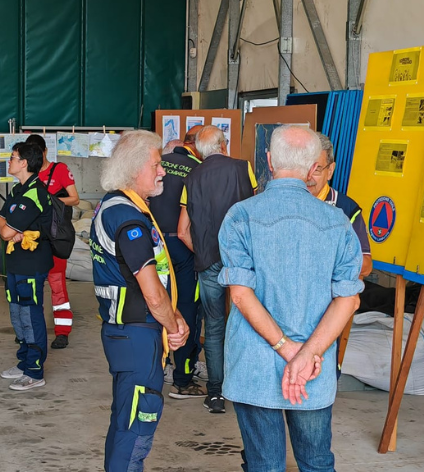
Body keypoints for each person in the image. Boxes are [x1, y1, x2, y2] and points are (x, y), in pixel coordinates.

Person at [218, 125, 363, 471]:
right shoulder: (338, 222)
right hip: (313, 370)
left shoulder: (241, 215)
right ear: (315, 168)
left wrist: (286, 349)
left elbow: (239, 295)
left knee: (264, 463)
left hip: (254, 365)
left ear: (268, 161)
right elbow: (349, 299)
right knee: (316, 462)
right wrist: (306, 355)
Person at [90, 130, 189, 471]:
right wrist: (173, 323)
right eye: (157, 164)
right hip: (137, 335)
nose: (162, 170)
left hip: (131, 333)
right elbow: (149, 289)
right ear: (134, 168)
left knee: (125, 421)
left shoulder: (119, 207)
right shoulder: (128, 218)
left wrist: (172, 315)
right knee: (136, 425)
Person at [178, 125, 257, 414]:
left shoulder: (192, 177)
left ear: (198, 150)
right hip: (242, 263)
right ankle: (245, 387)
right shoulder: (243, 168)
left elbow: (183, 231)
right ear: (224, 145)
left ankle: (215, 392)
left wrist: (204, 254)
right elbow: (255, 213)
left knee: (213, 325)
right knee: (248, 321)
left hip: (208, 262)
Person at [149, 125, 206, 398]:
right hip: (183, 245)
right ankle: (183, 377)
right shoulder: (198, 170)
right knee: (186, 307)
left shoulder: (158, 164)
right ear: (198, 146)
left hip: (151, 244)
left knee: (154, 303)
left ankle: (155, 370)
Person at [0, 142, 54, 391]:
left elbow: (7, 229)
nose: (9, 161)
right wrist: (7, 229)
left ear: (24, 163)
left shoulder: (34, 193)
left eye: (13, 157)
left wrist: (8, 229)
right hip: (16, 262)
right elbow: (0, 219)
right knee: (17, 314)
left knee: (30, 315)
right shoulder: (17, 190)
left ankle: (34, 370)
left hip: (31, 263)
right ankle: (23, 362)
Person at [25, 134, 80, 349]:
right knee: (32, 287)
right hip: (32, 240)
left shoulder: (60, 170)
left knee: (57, 286)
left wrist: (48, 201)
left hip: (55, 239)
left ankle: (62, 331)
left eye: (37, 153)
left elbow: (74, 198)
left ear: (45, 152)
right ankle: (30, 330)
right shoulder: (27, 173)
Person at [307, 133, 372, 279]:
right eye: (304, 168)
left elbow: (366, 265)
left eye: (316, 169)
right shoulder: (287, 204)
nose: (308, 176)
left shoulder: (346, 209)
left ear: (330, 171)